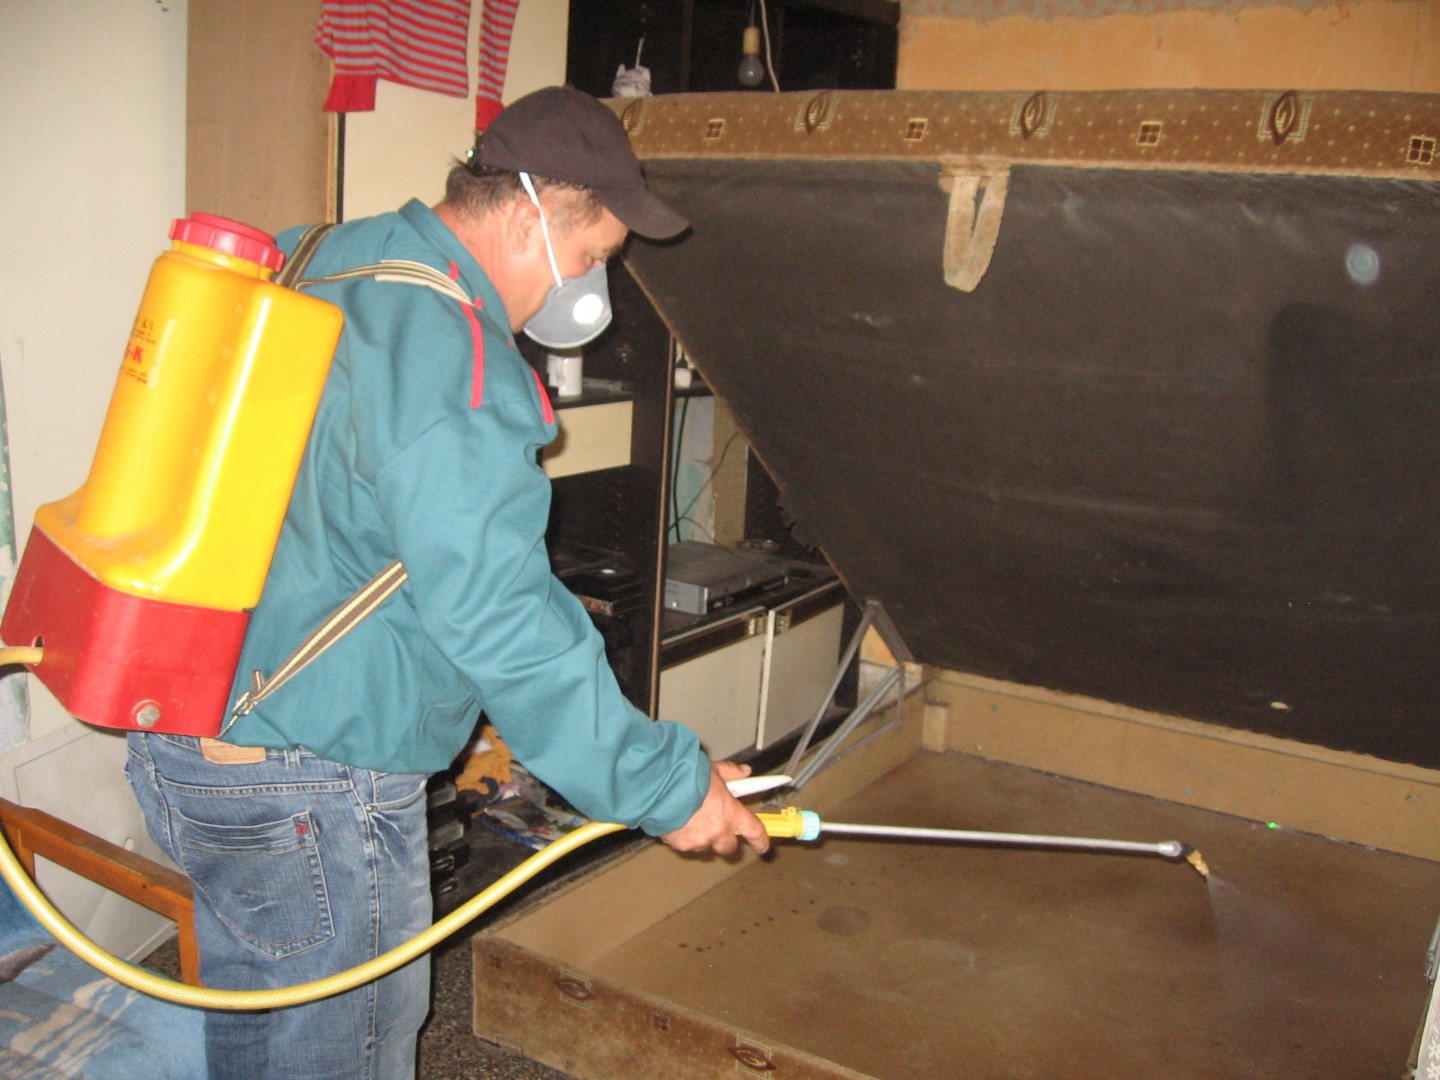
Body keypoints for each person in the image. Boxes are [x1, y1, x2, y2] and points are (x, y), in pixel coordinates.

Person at [126, 85, 770, 1080]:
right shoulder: (459, 367)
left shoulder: (320, 254)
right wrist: (667, 786)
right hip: (308, 778)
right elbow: (504, 623)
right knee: (342, 1055)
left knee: (265, 1022)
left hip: (187, 725)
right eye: (591, 257)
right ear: (526, 218)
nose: (588, 287)